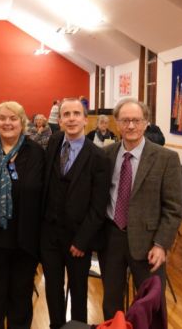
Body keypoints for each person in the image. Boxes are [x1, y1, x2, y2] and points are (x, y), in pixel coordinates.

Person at [99, 98, 182, 320]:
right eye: (125, 120)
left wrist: (161, 244)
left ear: (146, 123)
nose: (131, 126)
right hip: (112, 237)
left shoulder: (166, 158)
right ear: (117, 123)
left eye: (136, 120)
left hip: (148, 243)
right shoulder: (107, 155)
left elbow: (173, 208)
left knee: (151, 305)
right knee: (111, 302)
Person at [40, 98, 110, 329]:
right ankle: (56, 325)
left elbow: (99, 206)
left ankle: (77, 326)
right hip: (50, 235)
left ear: (84, 119)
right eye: (66, 114)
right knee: (52, 287)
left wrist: (82, 240)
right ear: (59, 119)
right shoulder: (54, 142)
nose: (71, 118)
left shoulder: (98, 157)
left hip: (78, 239)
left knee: (79, 290)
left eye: (76, 114)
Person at [0, 101, 44, 329]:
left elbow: (43, 196)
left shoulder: (36, 153)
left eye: (13, 118)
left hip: (25, 239)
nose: (7, 123)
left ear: (22, 122)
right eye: (2, 118)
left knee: (21, 295)